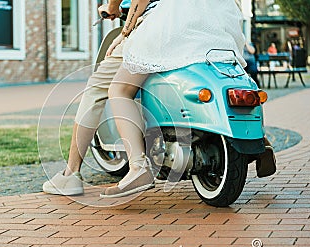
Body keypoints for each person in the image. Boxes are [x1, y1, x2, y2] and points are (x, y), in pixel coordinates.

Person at [101, 0, 276, 198]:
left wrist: (124, 32)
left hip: (177, 20)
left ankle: (137, 167)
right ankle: (257, 139)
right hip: (222, 20)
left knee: (120, 89)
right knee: (226, 76)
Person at [42, 0, 160, 196]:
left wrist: (119, 23)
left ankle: (71, 174)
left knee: (98, 88)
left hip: (155, 27)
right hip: (207, 30)